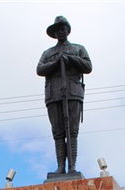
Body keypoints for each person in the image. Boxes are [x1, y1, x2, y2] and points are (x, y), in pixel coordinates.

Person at [37, 16, 92, 174]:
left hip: (73, 92)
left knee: (72, 131)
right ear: (54, 33)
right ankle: (61, 167)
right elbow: (39, 69)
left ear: (68, 30)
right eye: (57, 30)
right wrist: (56, 63)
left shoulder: (78, 48)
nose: (60, 32)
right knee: (58, 132)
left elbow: (88, 66)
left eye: (63, 28)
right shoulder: (48, 53)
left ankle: (72, 166)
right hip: (53, 94)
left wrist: (71, 59)